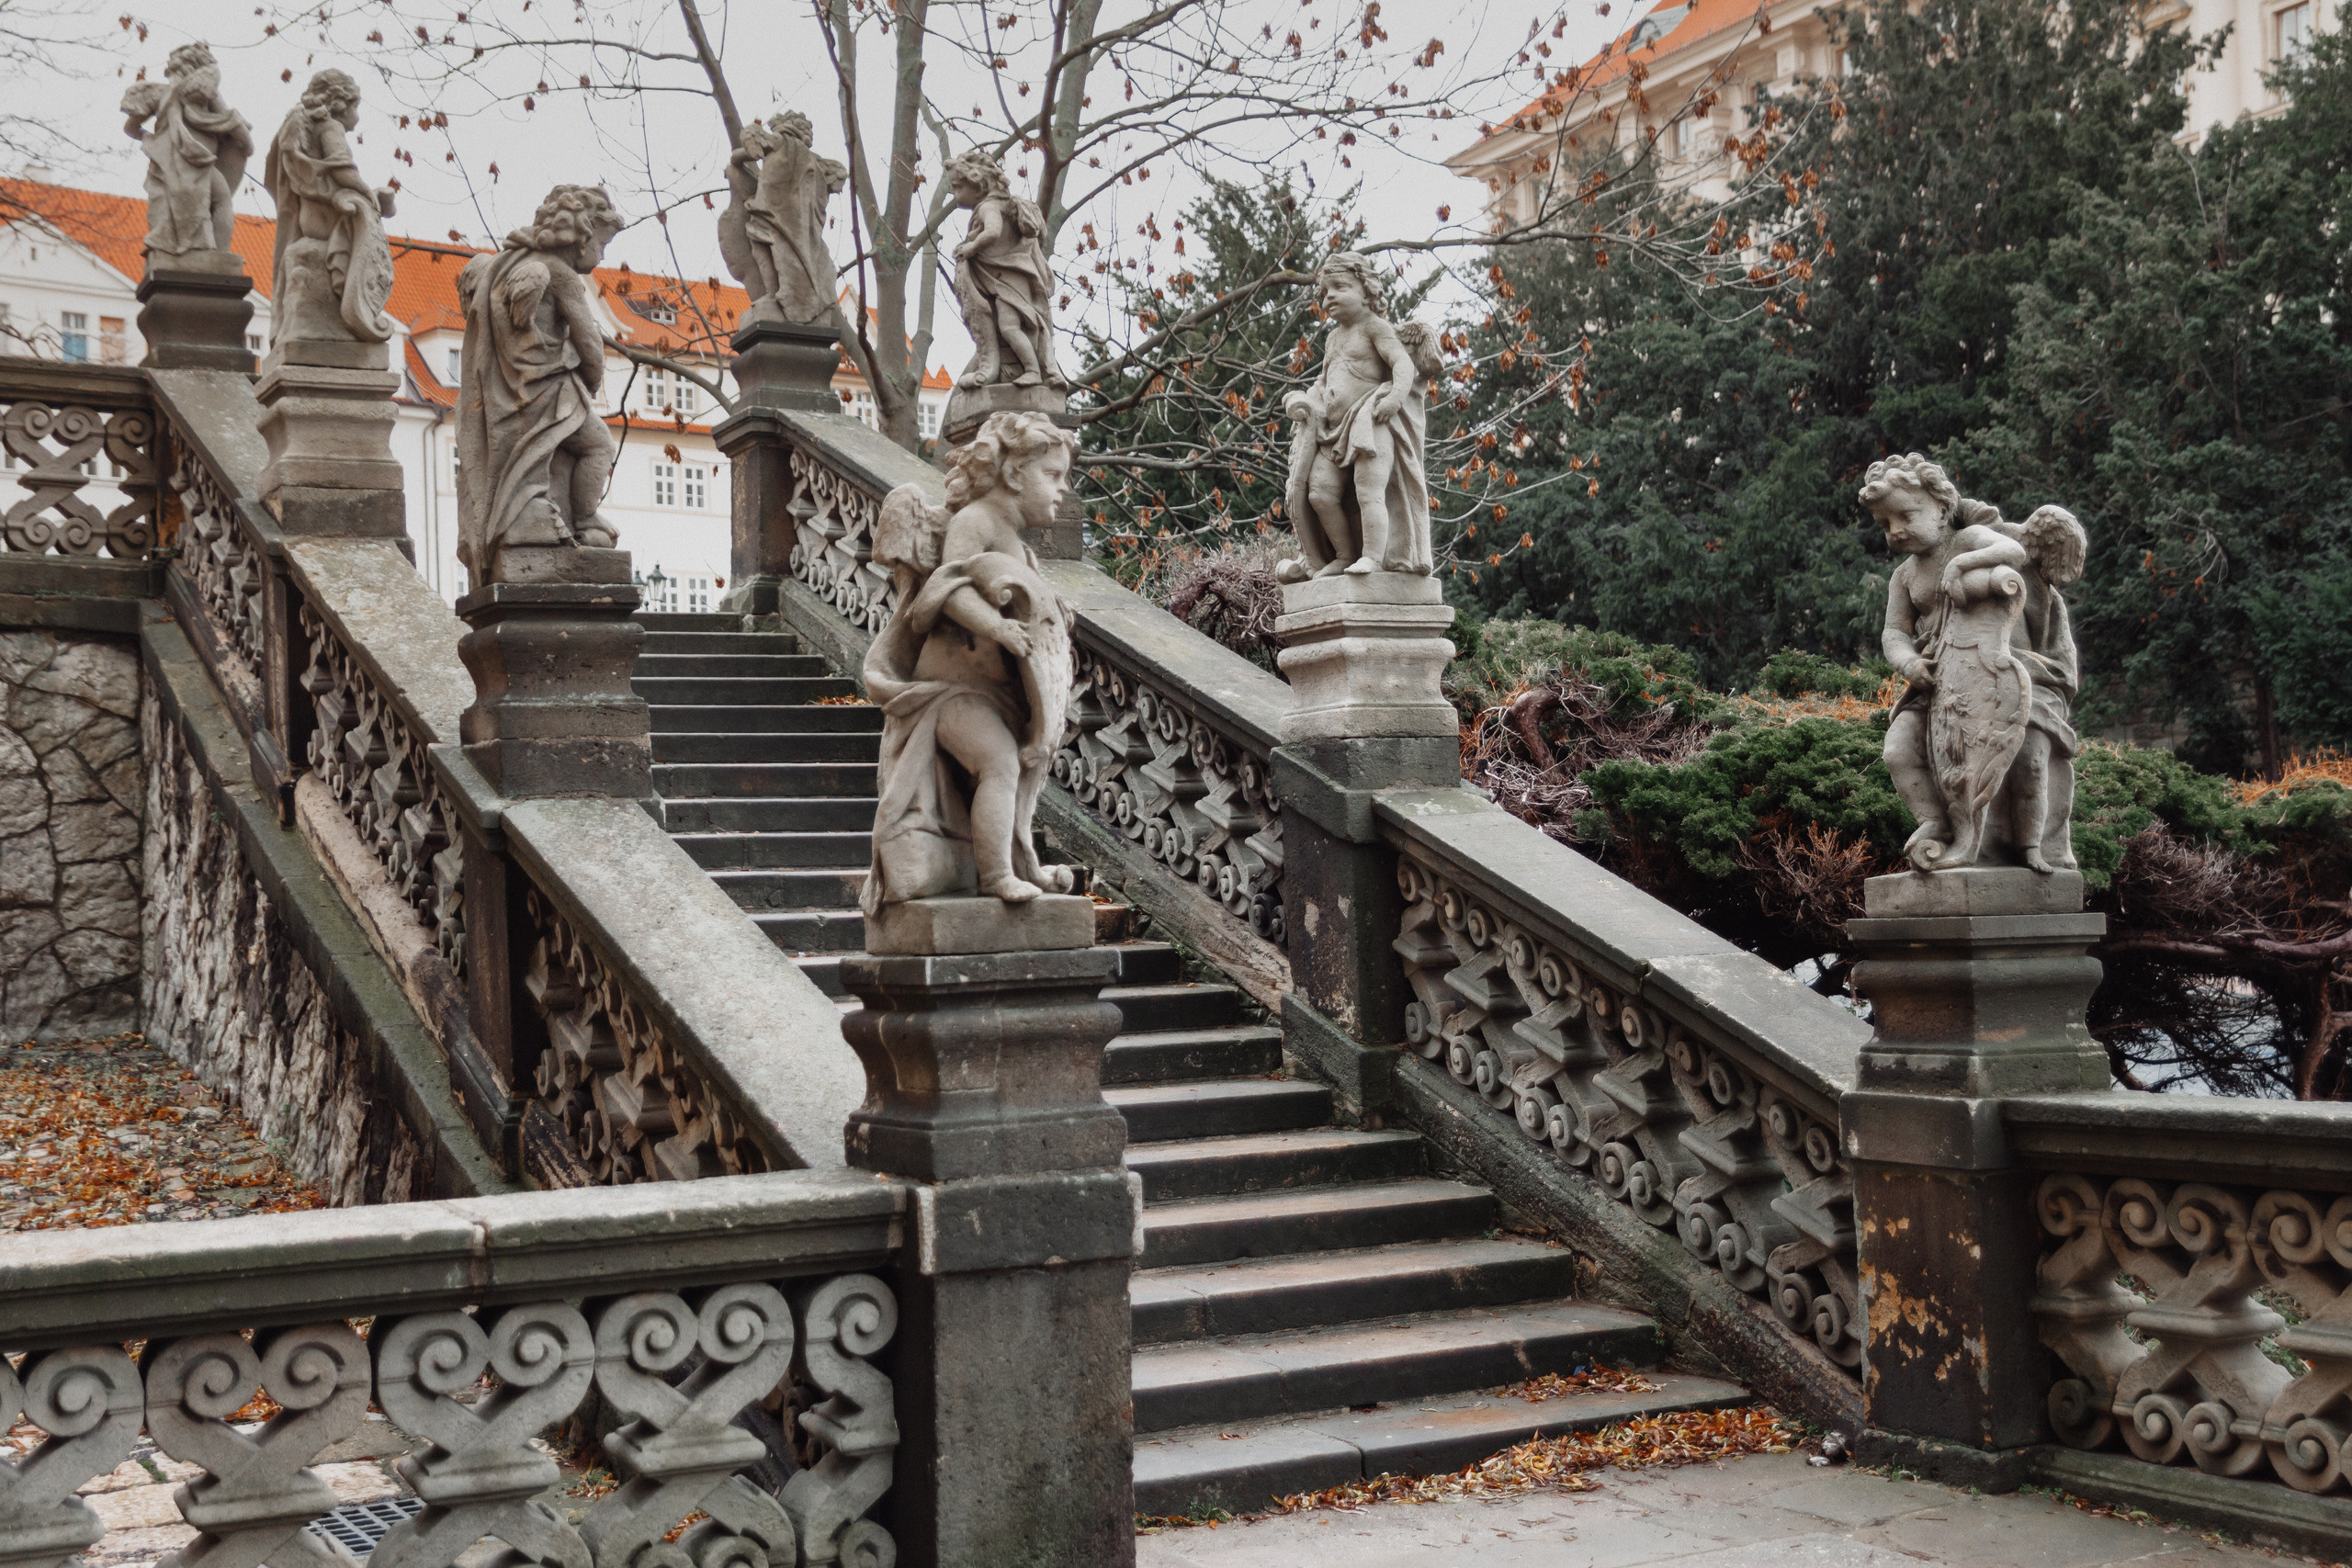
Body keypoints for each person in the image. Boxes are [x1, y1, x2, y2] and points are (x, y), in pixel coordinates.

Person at [864, 412, 1079, 910]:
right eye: (1052, 475)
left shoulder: (1023, 554)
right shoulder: (974, 522)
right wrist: (997, 627)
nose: (1062, 489)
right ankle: (997, 875)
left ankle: (1021, 862)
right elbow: (947, 588)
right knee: (1000, 763)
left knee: (1017, 768)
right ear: (1013, 474)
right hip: (947, 694)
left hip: (993, 694)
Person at [1861, 454, 2084, 872]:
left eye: (1905, 516)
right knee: (1897, 751)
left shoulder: (1969, 540)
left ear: (1943, 508)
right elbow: (1893, 633)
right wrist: (1909, 663)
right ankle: (1935, 823)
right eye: (1885, 524)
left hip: (2001, 672)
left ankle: (2031, 846)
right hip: (1936, 682)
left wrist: (1963, 565)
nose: (1895, 531)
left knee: (2030, 761)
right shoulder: (1904, 577)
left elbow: (2013, 550)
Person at [454, 186, 627, 581]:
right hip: (550, 388)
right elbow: (589, 344)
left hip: (509, 390)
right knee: (597, 444)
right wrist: (591, 381)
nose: (602, 255)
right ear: (583, 235)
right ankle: (585, 520)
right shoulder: (562, 275)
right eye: (603, 243)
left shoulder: (504, 264)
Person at [1279, 251, 1440, 581]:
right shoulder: (1333, 338)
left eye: (1339, 287)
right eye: (1324, 293)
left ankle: (1373, 557)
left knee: (1369, 490)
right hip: (1333, 429)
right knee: (1319, 493)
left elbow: (1402, 364)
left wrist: (1394, 398)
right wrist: (1301, 398)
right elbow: (1324, 382)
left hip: (1371, 419)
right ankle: (1343, 555)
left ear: (1366, 291)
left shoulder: (1374, 327)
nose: (1329, 297)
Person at [264, 70, 396, 345]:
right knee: (374, 209)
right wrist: (367, 195)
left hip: (309, 221)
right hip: (327, 223)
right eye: (356, 108)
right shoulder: (330, 127)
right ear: (340, 103)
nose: (357, 119)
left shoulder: (304, 125)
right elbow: (342, 170)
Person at [944, 152, 1065, 390]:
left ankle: (1031, 370)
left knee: (1009, 327)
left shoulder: (988, 207)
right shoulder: (1002, 205)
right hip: (1010, 280)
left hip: (1008, 282)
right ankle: (1031, 369)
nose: (954, 194)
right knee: (1012, 326)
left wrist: (971, 247)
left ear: (977, 186)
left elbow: (993, 232)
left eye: (958, 187)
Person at [120, 44, 252, 260]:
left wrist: (149, 139)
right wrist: (247, 144)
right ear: (198, 68)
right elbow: (233, 123)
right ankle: (221, 256)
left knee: (169, 209)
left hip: (166, 165)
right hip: (198, 162)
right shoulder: (205, 91)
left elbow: (130, 128)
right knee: (221, 201)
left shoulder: (157, 94)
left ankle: (171, 251)